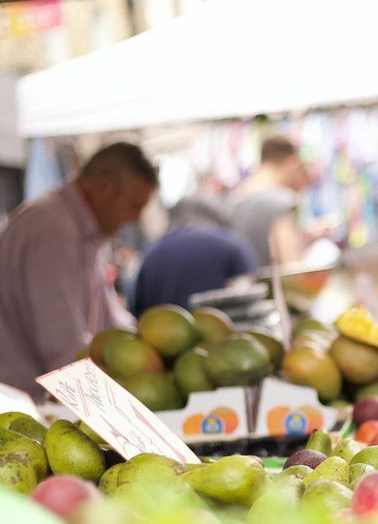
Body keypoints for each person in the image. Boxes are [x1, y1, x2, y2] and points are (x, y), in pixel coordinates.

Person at [0, 142, 158, 399]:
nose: (136, 220)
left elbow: (112, 326)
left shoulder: (83, 232)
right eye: (135, 205)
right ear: (103, 188)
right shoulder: (51, 231)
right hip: (28, 413)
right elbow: (64, 350)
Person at [132, 196, 257, 315]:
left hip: (163, 334)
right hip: (222, 333)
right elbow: (250, 299)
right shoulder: (232, 244)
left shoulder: (151, 253)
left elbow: (140, 309)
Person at [229, 135, 310, 268]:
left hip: (245, 285)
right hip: (272, 286)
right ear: (292, 162)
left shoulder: (234, 198)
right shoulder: (281, 200)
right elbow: (293, 265)